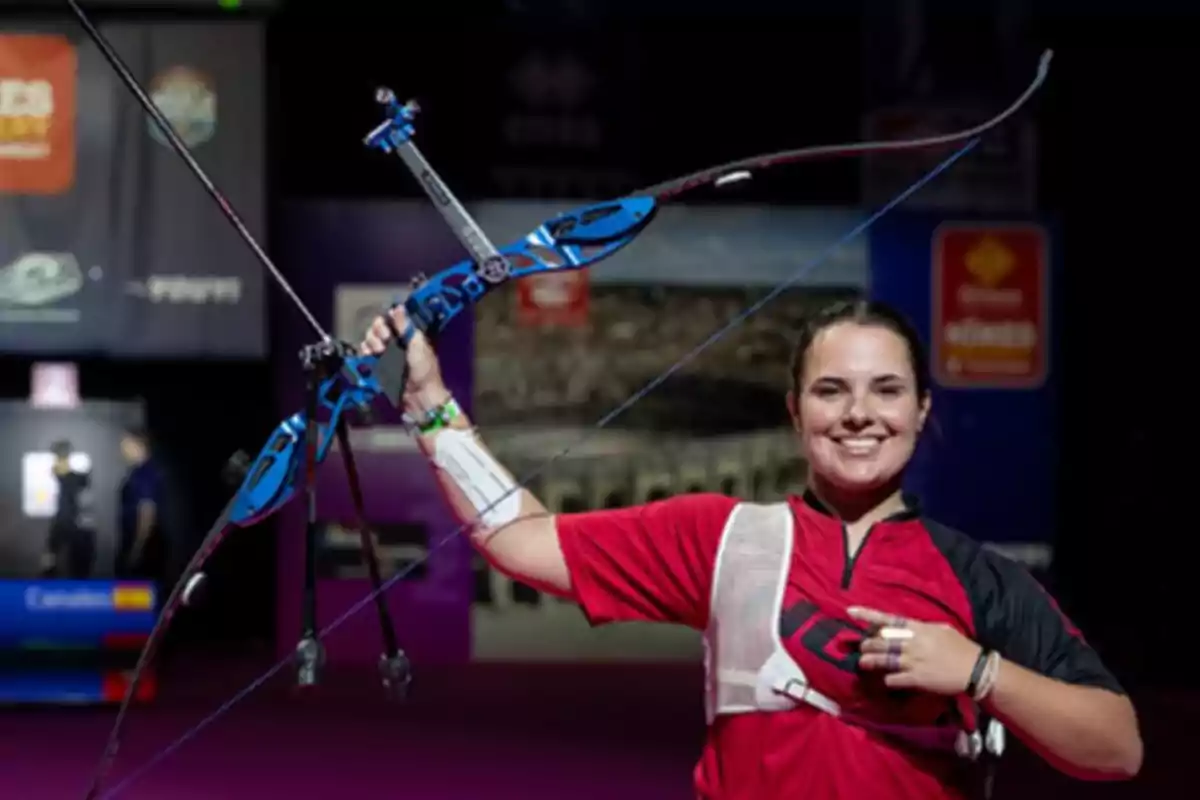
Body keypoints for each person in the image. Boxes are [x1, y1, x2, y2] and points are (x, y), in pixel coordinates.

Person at [360, 299, 1142, 799]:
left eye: (887, 390)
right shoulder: (722, 536)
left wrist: (977, 671)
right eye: (832, 391)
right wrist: (430, 404)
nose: (859, 415)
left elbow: (1117, 748)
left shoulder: (978, 577)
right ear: (796, 413)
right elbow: (516, 538)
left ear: (922, 410)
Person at [115, 426, 166, 583]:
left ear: (138, 444)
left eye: (126, 444)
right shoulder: (137, 472)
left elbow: (147, 513)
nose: (122, 449)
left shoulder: (146, 474)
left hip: (143, 550)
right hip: (136, 544)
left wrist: (137, 549)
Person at [41, 440, 96, 579]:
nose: (56, 462)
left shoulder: (77, 480)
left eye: (60, 457)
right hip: (66, 531)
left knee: (76, 572)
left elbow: (81, 511)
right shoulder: (56, 478)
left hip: (77, 533)